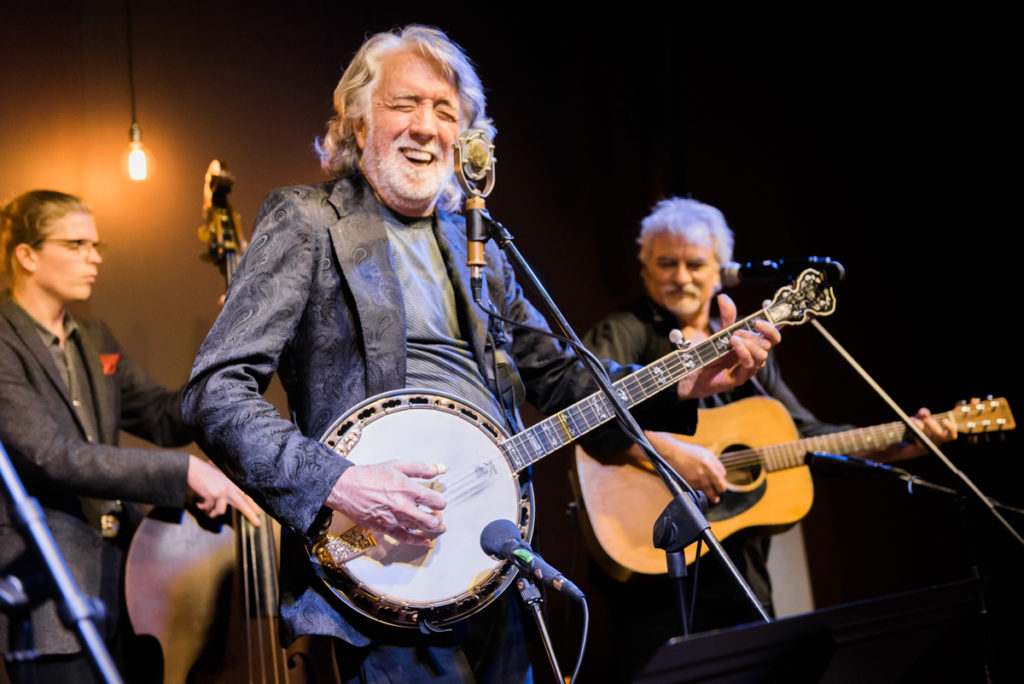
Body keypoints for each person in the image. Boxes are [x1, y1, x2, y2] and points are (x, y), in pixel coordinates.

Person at [181, 26, 781, 683]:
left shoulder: (483, 250)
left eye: (446, 112)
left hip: (491, 564)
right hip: (376, 566)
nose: (426, 127)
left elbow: (560, 378)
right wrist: (339, 481)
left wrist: (685, 383)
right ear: (356, 121)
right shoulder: (307, 221)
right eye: (404, 103)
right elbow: (215, 393)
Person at [578, 196, 957, 680]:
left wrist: (900, 440)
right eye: (666, 263)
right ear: (644, 268)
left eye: (695, 264)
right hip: (652, 567)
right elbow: (587, 415)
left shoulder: (744, 345)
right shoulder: (622, 332)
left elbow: (802, 436)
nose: (681, 276)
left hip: (738, 566)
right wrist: (672, 453)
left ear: (721, 271)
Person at [0, 190, 260, 683]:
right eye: (76, 244)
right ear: (27, 255)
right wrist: (185, 472)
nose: (94, 257)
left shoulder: (95, 337)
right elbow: (54, 457)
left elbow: (164, 416)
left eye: (96, 245)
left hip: (127, 584)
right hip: (51, 592)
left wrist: (235, 345)